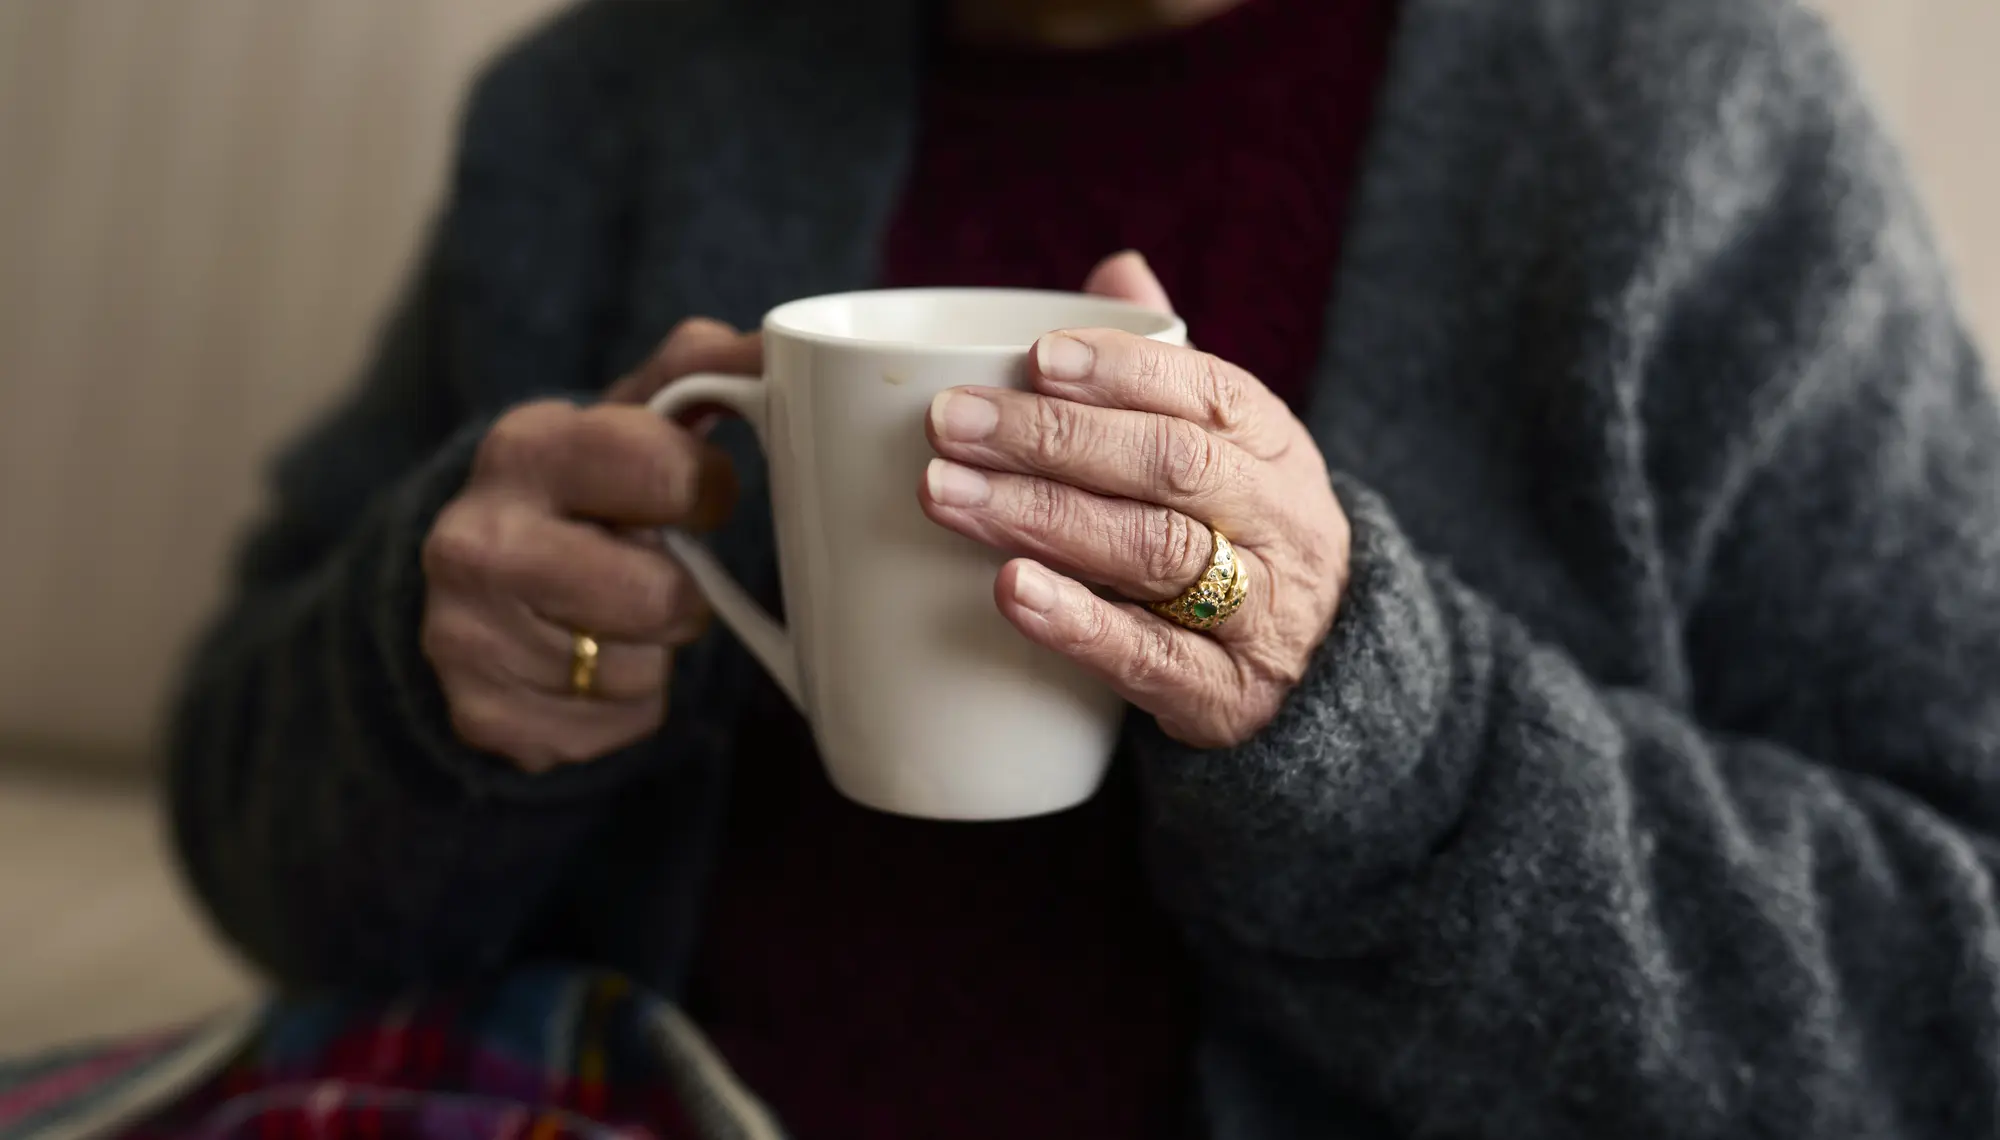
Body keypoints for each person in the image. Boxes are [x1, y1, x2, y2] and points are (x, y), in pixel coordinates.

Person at [163, 0, 2000, 1135]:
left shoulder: (1694, 134)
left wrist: (1390, 738)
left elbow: (1951, 1013)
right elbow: (263, 848)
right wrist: (436, 694)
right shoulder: (601, 112)